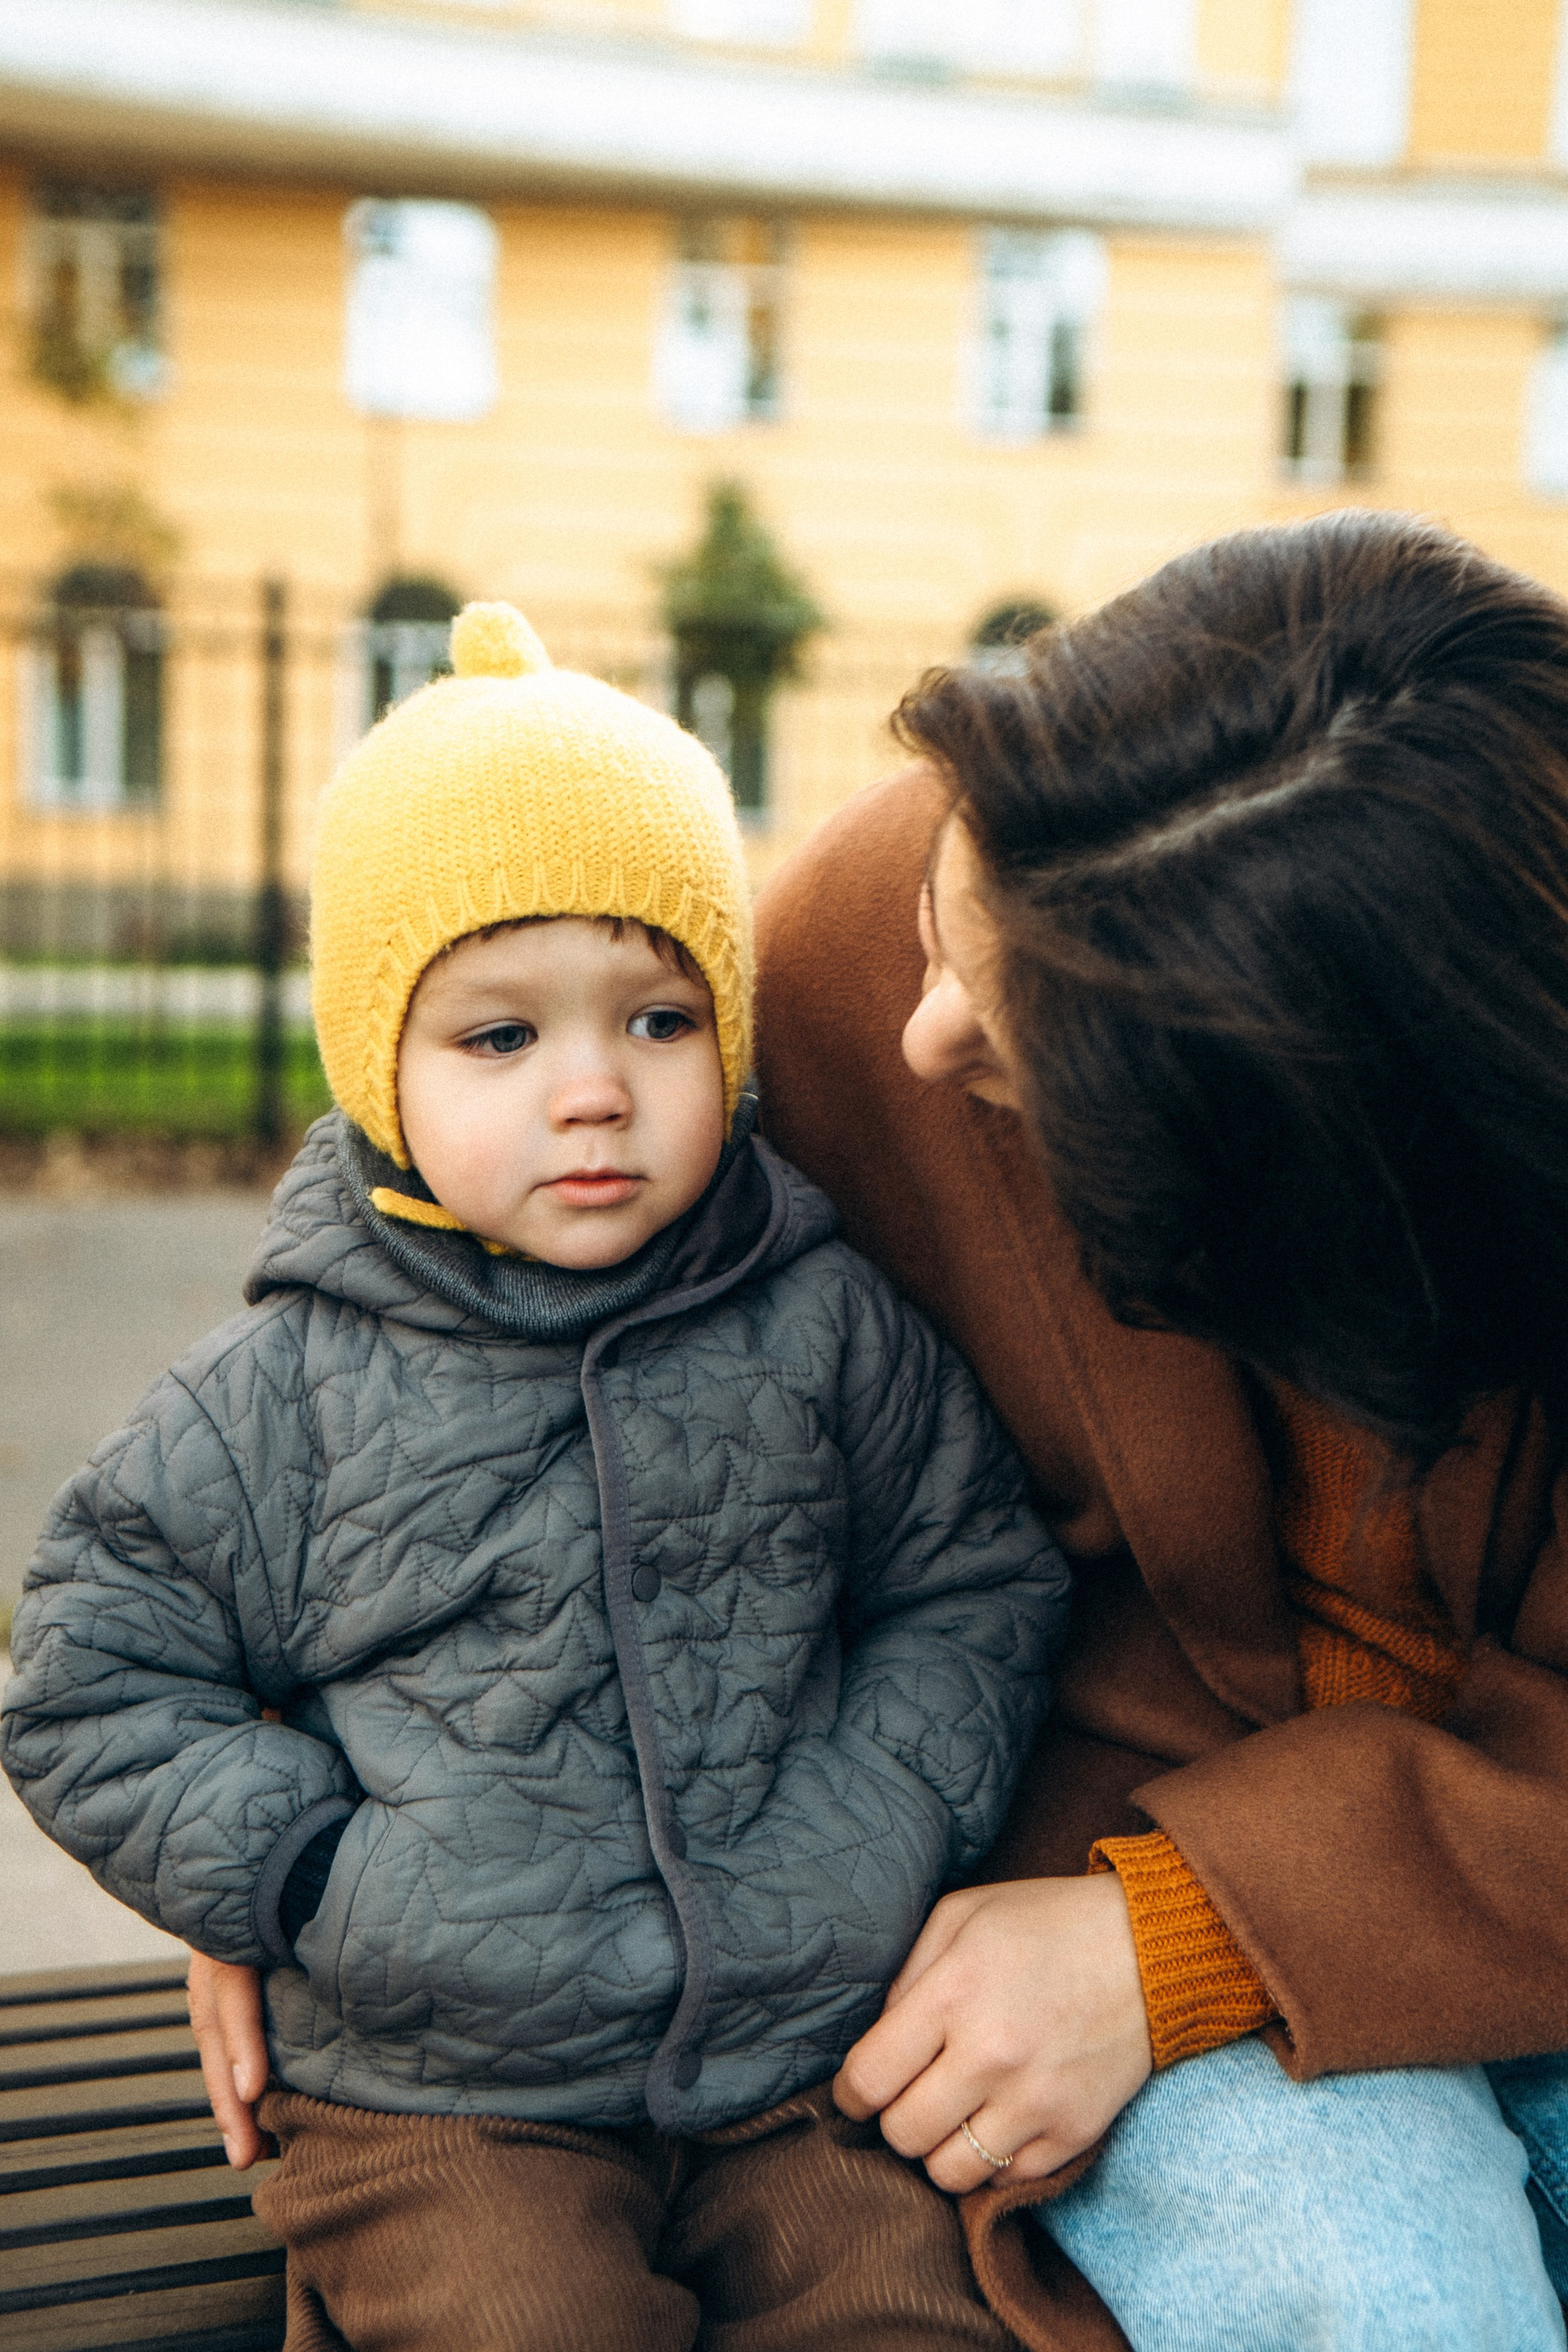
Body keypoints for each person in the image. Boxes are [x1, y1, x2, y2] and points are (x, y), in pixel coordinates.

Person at [0, 602, 1069, 2352]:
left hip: (793, 2059)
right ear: (379, 1070)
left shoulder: (824, 1322)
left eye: (657, 1020)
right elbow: (87, 1684)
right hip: (438, 2092)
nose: (594, 1092)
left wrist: (879, 1824)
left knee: (912, 2317)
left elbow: (972, 1582)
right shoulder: (287, 1390)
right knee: (530, 2323)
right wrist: (307, 1883)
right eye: (501, 1038)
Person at [759, 510, 1568, 2350]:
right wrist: (316, 1783)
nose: (925, 1038)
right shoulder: (843, 955)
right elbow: (486, 1294)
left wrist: (1190, 1927)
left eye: (1033, 1063)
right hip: (1050, 1905)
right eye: (938, 921)